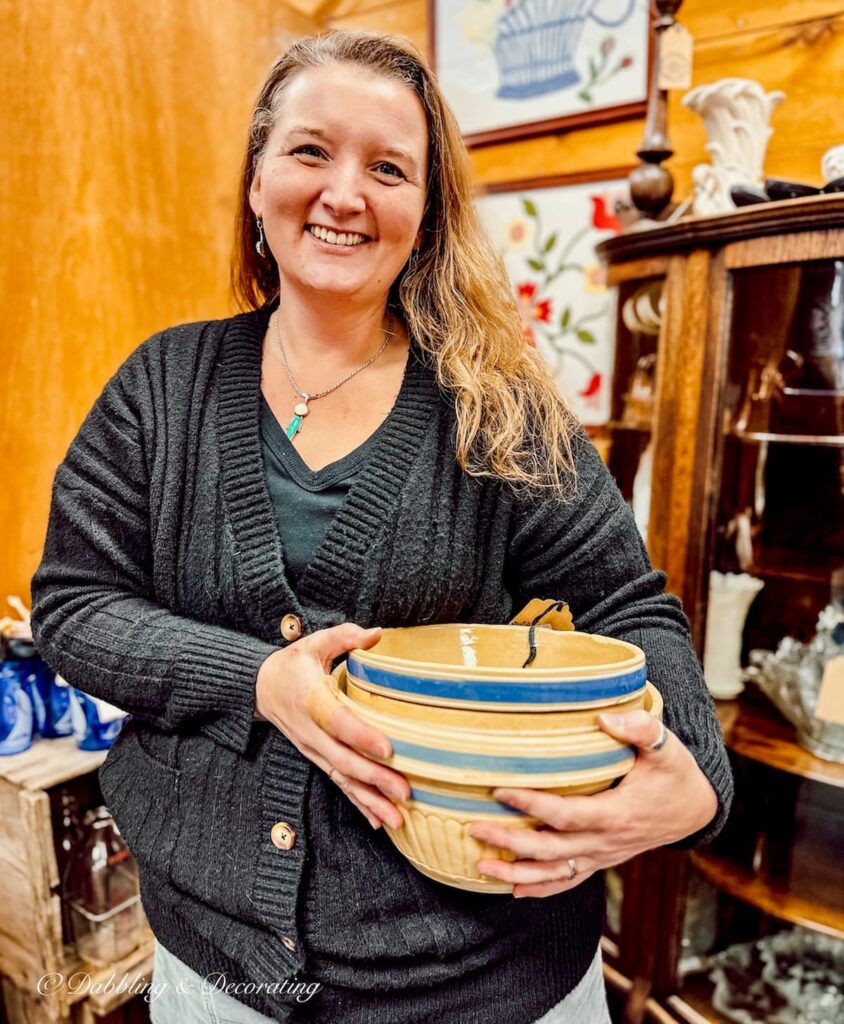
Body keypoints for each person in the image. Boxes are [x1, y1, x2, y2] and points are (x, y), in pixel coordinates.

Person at [31, 30, 732, 1024]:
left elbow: (627, 600)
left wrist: (694, 779)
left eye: (388, 168)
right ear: (257, 181)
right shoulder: (161, 387)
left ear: (426, 215)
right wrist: (261, 682)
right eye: (311, 151)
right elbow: (73, 604)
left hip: (488, 979)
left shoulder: (496, 403)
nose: (345, 193)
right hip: (221, 975)